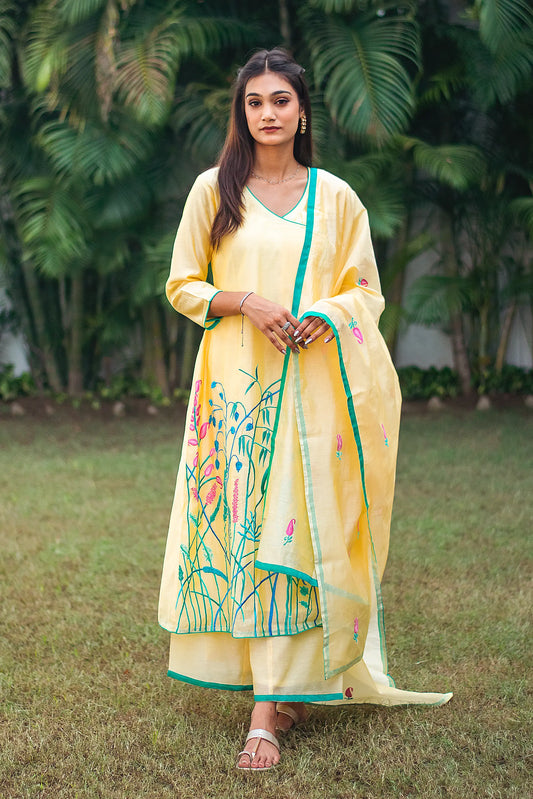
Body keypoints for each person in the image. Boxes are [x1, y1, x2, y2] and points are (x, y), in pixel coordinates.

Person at [158, 47, 452, 772]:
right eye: (254, 102)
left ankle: (274, 702)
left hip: (314, 393)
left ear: (301, 110)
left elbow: (366, 292)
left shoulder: (336, 197)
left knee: (295, 534)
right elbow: (182, 285)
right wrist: (247, 302)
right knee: (246, 532)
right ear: (242, 112)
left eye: (279, 101)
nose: (267, 113)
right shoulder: (212, 190)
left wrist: (325, 311)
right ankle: (271, 698)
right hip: (234, 395)